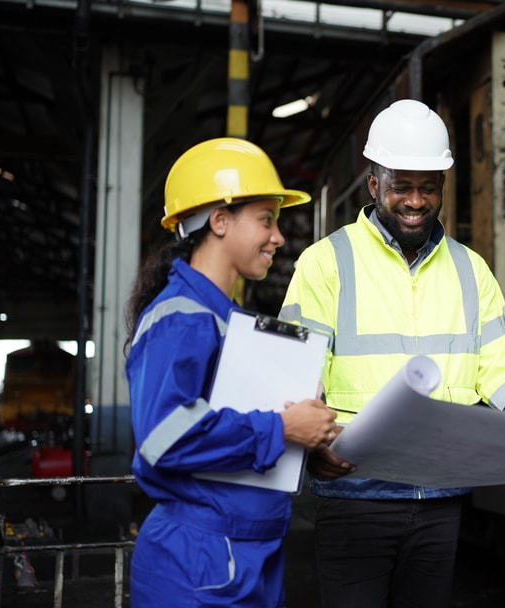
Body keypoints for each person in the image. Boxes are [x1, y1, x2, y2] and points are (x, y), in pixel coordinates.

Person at [279, 98, 505, 608]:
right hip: (355, 495)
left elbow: (503, 366)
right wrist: (312, 446)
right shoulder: (325, 263)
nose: (416, 201)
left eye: (428, 187)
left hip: (439, 496)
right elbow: (297, 377)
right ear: (374, 185)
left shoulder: (470, 269)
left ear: (442, 186)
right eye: (402, 187)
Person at [125, 137, 342, 608]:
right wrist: (283, 428)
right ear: (219, 221)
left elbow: (235, 420)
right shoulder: (182, 317)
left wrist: (308, 442)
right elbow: (163, 436)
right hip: (198, 562)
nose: (278, 237)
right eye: (266, 219)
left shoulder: (227, 320)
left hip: (242, 554)